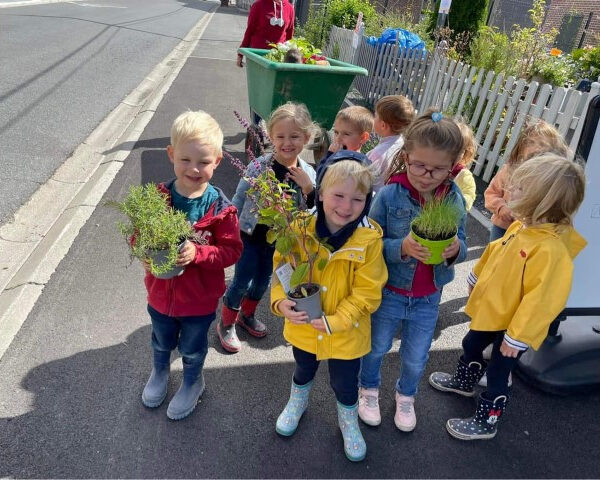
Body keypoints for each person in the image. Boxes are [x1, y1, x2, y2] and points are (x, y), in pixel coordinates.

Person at [429, 154, 586, 440]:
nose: (509, 190)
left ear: (544, 201)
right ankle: (465, 381)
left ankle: (487, 420)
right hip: (496, 311)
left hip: (514, 326)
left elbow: (543, 300)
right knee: (471, 342)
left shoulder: (550, 250)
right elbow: (495, 252)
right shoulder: (521, 227)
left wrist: (518, 336)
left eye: (520, 188)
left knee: (500, 371)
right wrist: (477, 276)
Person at [271, 152, 388, 462]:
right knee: (303, 366)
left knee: (345, 381)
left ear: (367, 201)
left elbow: (368, 292)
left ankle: (348, 420)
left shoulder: (369, 241)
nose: (346, 207)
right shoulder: (297, 228)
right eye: (338, 195)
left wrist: (339, 320)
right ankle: (298, 402)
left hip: (346, 333)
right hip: (304, 325)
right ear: (320, 193)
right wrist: (280, 302)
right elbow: (282, 268)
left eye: (357, 200)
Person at [358, 110, 467, 432]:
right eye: (419, 165)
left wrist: (456, 250)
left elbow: (461, 237)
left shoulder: (454, 197)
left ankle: (406, 396)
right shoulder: (391, 194)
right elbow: (369, 240)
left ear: (453, 166)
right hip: (390, 291)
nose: (427, 175)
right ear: (405, 157)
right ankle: (369, 389)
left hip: (428, 297)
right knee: (376, 347)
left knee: (416, 356)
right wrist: (400, 248)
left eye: (438, 169)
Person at [140, 111, 243, 420]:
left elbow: (231, 251)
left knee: (193, 348)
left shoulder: (221, 210)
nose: (194, 169)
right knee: (161, 339)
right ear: (171, 154)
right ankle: (160, 372)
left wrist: (198, 252)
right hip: (160, 294)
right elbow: (137, 232)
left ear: (218, 161)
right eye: (185, 160)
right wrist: (142, 248)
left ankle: (192, 381)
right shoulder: (157, 198)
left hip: (198, 301)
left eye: (203, 161)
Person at [217, 102, 317, 353]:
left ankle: (246, 315)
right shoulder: (259, 166)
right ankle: (226, 322)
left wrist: (308, 189)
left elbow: (312, 211)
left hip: (280, 242)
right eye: (280, 136)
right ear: (271, 137)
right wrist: (231, 231)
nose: (287, 143)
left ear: (306, 137)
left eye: (294, 136)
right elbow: (240, 198)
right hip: (250, 237)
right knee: (241, 280)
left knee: (264, 281)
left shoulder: (308, 173)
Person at [484, 119, 568, 241]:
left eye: (543, 145)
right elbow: (491, 193)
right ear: (521, 146)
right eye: (531, 142)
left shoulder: (547, 180)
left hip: (529, 233)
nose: (536, 148)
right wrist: (501, 207)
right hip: (502, 228)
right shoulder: (509, 170)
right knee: (495, 255)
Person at [367, 95, 416, 192]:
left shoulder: (378, 154)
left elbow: (363, 182)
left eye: (376, 116)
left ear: (383, 125)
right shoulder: (404, 145)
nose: (374, 118)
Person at [237, 0, 294, 67]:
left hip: (278, 56)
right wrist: (240, 54)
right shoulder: (258, 5)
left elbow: (289, 35)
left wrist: (290, 55)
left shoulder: (289, 8)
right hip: (257, 55)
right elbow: (250, 31)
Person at [451, 120, 477, 211]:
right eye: (448, 148)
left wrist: (458, 201)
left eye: (459, 151)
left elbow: (469, 194)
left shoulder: (464, 175)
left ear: (465, 152)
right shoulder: (433, 166)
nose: (453, 154)